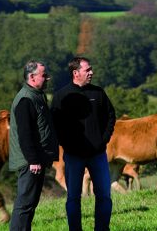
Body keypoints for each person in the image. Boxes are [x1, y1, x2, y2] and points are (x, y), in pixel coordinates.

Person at [52, 56, 116, 231]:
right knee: (73, 197)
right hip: (73, 156)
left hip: (98, 155)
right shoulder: (61, 96)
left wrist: (103, 139)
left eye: (91, 69)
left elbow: (110, 116)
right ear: (75, 73)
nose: (91, 73)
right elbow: (55, 125)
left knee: (104, 195)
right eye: (87, 70)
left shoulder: (98, 93)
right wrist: (68, 145)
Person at [9, 60, 59, 231]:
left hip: (35, 159)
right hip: (29, 162)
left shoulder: (36, 95)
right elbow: (25, 134)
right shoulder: (25, 99)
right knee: (24, 204)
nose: (48, 78)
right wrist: (33, 160)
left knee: (30, 203)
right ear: (32, 77)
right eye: (44, 75)